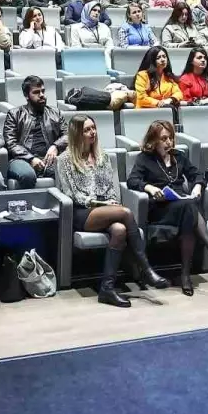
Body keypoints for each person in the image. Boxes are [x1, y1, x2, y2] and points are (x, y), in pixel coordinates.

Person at [56, 113, 168, 307]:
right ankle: (145, 268)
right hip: (82, 211)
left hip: (105, 207)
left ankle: (107, 289)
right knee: (125, 213)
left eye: (94, 128)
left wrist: (110, 202)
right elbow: (71, 194)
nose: (92, 133)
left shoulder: (102, 155)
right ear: (77, 134)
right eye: (87, 130)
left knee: (120, 230)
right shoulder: (64, 160)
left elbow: (110, 187)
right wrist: (100, 204)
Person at [127, 120, 208, 296]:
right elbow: (133, 180)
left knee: (188, 213)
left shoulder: (179, 156)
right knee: (190, 207)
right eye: (164, 139)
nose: (169, 142)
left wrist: (197, 186)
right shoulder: (145, 159)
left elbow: (197, 174)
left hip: (182, 206)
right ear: (153, 141)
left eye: (171, 138)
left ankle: (185, 275)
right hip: (160, 209)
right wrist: (150, 188)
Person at [3, 76, 68, 188]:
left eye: (43, 91)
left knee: (67, 170)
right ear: (26, 96)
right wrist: (31, 158)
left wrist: (56, 146)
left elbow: (68, 135)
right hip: (21, 159)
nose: (42, 95)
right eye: (36, 92)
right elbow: (11, 143)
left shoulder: (55, 113)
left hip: (49, 159)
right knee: (27, 175)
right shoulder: (15, 114)